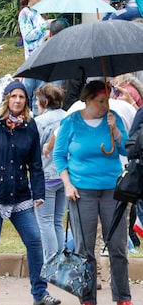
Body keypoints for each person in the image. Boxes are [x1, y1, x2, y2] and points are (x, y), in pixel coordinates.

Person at [0, 80, 59, 305]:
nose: (17, 101)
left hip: (19, 193)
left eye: (21, 97)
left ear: (27, 101)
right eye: (14, 96)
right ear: (7, 99)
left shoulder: (30, 125)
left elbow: (35, 164)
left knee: (35, 240)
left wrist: (38, 193)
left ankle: (40, 293)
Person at [53, 80, 131, 305]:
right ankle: (87, 299)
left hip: (112, 190)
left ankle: (123, 297)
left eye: (107, 100)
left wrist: (115, 129)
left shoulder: (112, 118)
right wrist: (67, 184)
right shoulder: (71, 122)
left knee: (117, 246)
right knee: (85, 249)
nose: (105, 105)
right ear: (86, 100)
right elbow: (59, 156)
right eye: (100, 101)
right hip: (82, 191)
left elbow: (127, 148)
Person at [33, 83, 67, 262]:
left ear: (45, 102)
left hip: (46, 176)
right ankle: (60, 261)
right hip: (64, 175)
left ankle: (51, 261)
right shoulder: (68, 117)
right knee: (57, 221)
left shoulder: (39, 122)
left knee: (45, 222)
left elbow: (33, 148)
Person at [18, 0, 49, 109]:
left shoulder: (39, 12)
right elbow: (28, 36)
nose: (42, 0)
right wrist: (45, 26)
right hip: (33, 56)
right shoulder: (25, 13)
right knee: (32, 89)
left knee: (41, 90)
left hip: (44, 54)